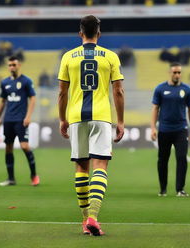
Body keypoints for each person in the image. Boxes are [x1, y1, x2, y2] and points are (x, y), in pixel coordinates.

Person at [58, 15, 124, 236]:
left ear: (80, 33)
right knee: (100, 165)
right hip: (101, 116)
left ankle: (85, 221)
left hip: (76, 116)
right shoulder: (111, 57)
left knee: (81, 167)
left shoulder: (68, 57)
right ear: (99, 33)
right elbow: (118, 91)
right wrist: (121, 121)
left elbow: (62, 92)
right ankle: (95, 217)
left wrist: (62, 119)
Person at [151, 62, 190, 197]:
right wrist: (153, 128)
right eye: (175, 72)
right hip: (164, 130)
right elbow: (155, 109)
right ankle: (163, 189)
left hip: (181, 130)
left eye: (179, 72)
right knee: (162, 160)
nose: (177, 74)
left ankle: (180, 189)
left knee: (182, 158)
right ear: (169, 73)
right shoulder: (160, 89)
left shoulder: (187, 90)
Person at [0, 56, 40, 186]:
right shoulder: (5, 83)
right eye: (10, 65)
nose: (12, 67)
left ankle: (34, 175)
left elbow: (33, 98)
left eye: (14, 65)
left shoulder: (26, 81)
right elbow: (3, 101)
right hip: (8, 120)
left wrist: (28, 116)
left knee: (24, 146)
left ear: (19, 65)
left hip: (21, 120)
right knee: (8, 148)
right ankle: (11, 178)